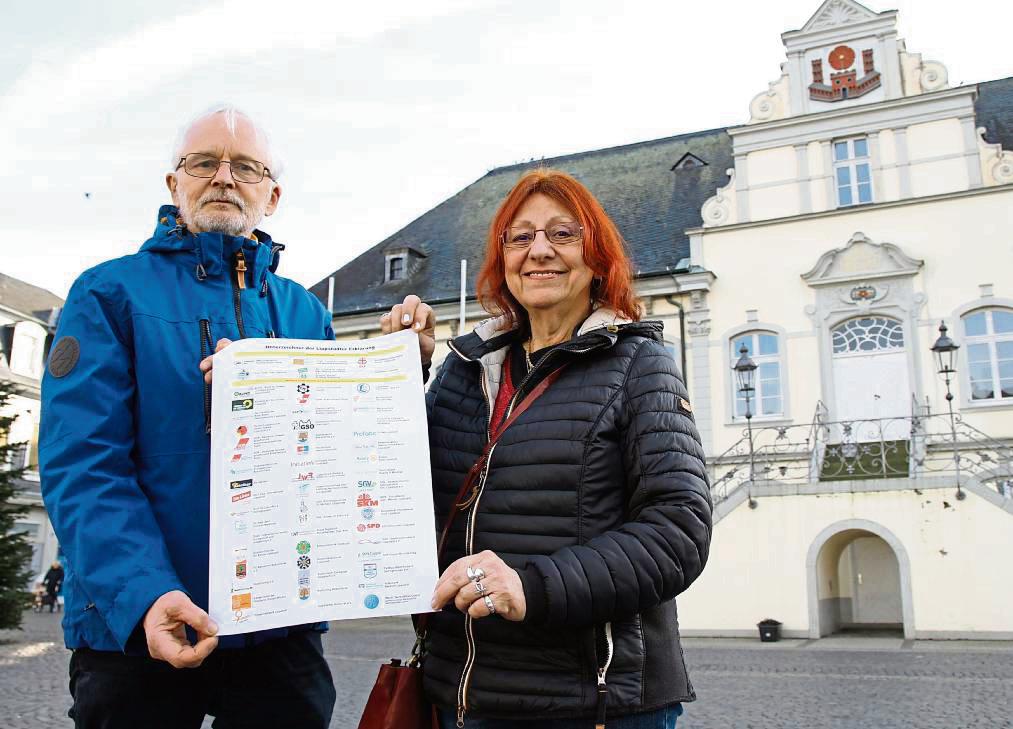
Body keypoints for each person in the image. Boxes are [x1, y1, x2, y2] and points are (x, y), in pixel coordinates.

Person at [39, 106, 340, 729]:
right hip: (136, 629)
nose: (225, 177)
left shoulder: (307, 314)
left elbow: (331, 460)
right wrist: (145, 593)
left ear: (273, 195)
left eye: (246, 167)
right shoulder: (107, 293)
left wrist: (399, 368)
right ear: (174, 183)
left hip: (277, 629)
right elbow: (83, 466)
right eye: (204, 162)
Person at [381, 169, 713, 728]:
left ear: (597, 256)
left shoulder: (639, 365)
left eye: (563, 234)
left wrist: (530, 587)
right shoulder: (465, 369)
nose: (539, 250)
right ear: (502, 258)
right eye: (520, 236)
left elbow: (678, 529)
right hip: (464, 694)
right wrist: (398, 375)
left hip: (595, 700)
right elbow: (403, 491)